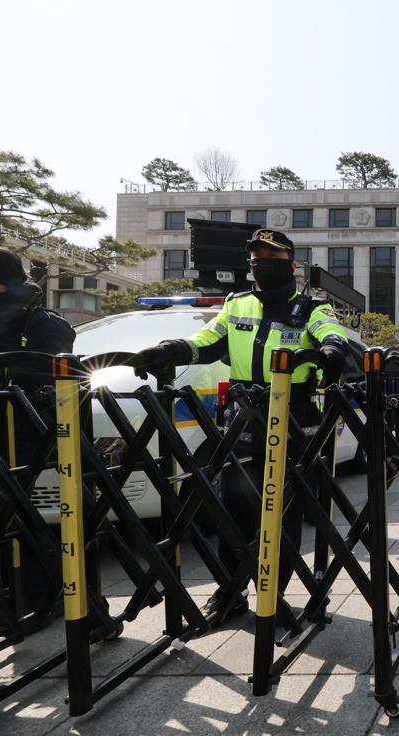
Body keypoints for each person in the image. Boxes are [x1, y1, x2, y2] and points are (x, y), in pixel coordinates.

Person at [134, 228, 351, 622]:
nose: (261, 264)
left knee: (282, 511)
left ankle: (274, 593)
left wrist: (331, 350)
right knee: (234, 508)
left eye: (271, 257)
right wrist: (170, 350)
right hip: (243, 419)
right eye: (256, 258)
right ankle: (230, 591)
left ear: (291, 265)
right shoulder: (236, 306)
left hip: (292, 416)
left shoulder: (311, 307)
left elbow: (330, 334)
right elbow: (205, 341)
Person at [0, 242, 76, 614]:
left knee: (17, 515)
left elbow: (48, 379)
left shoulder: (40, 321)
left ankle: (43, 596)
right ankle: (1, 596)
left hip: (16, 437)